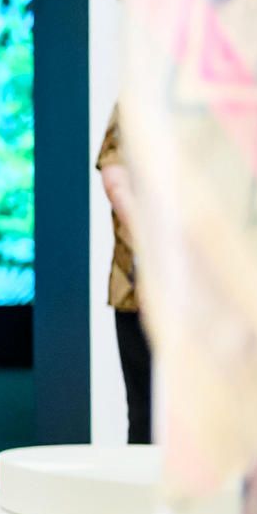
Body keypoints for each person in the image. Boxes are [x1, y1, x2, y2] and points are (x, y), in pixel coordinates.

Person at [98, 108, 151, 445]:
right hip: (140, 286)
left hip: (215, 289)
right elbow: (116, 184)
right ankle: (145, 495)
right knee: (145, 410)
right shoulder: (134, 105)